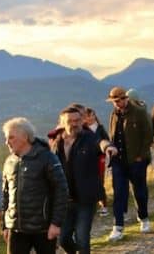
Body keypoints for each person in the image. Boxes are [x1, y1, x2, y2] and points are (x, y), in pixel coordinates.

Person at [52, 106, 116, 254]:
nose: (74, 124)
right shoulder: (57, 143)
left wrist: (108, 148)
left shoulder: (89, 138)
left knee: (82, 237)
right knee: (63, 239)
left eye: (77, 120)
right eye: (70, 121)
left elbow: (101, 142)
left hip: (86, 198)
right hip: (65, 199)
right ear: (62, 123)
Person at [1, 117, 68, 254]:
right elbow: (6, 195)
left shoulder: (47, 158)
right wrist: (5, 225)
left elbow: (61, 191)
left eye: (11, 138)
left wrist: (56, 223)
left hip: (43, 228)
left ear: (25, 137)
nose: (7, 142)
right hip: (16, 228)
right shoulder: (9, 161)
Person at [105, 86, 153, 242]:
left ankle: (144, 218)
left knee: (139, 191)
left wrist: (141, 156)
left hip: (136, 160)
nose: (116, 104)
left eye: (118, 100)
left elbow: (148, 135)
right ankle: (118, 226)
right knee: (119, 192)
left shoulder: (139, 112)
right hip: (118, 160)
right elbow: (112, 134)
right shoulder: (114, 114)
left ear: (125, 98)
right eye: (113, 101)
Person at [82, 108, 109, 217]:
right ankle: (91, 205)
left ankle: (104, 205)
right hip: (86, 159)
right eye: (87, 116)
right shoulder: (83, 129)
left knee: (100, 180)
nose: (89, 118)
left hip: (99, 158)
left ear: (94, 115)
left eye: (91, 115)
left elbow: (107, 140)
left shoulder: (100, 129)